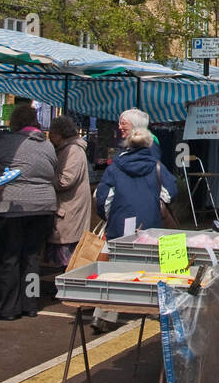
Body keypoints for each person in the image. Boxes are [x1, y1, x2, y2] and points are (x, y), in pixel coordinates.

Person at [0, 103, 58, 320]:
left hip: (11, 207)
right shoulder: (48, 145)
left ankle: (8, 307)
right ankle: (30, 304)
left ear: (15, 123)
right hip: (43, 207)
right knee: (32, 257)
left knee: (9, 258)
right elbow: (53, 171)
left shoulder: (8, 143)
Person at [92, 127, 176, 333]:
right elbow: (172, 190)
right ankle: (160, 310)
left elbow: (102, 198)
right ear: (149, 145)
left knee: (116, 270)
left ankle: (103, 314)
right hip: (150, 223)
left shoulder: (115, 167)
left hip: (120, 223)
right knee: (155, 267)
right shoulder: (157, 166)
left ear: (127, 145)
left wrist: (111, 217)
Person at [94, 128, 175, 239]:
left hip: (119, 230)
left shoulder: (113, 169)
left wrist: (114, 217)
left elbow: (102, 202)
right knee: (148, 255)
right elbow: (171, 193)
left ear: (127, 143)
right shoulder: (158, 168)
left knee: (119, 255)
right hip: (151, 230)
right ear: (150, 144)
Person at [46, 115, 91, 269]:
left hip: (69, 211)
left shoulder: (73, 150)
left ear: (59, 133)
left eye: (51, 132)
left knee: (66, 262)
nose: (49, 136)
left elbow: (66, 180)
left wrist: (45, 178)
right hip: (67, 210)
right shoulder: (68, 149)